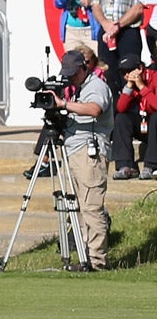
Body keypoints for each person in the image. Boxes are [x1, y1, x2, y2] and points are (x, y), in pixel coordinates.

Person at [57, 44, 113, 269]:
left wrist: (64, 105)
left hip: (90, 154)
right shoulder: (78, 87)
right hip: (75, 152)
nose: (70, 79)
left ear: (84, 68)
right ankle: (84, 257)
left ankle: (97, 261)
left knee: (91, 207)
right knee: (79, 208)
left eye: (73, 74)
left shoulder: (96, 86)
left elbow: (95, 109)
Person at [110, 61, 154, 181]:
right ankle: (126, 165)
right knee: (121, 118)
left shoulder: (153, 77)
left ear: (140, 68)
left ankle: (151, 165)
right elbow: (120, 108)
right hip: (142, 124)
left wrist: (142, 87)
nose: (127, 75)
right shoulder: (130, 84)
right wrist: (129, 86)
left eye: (129, 71)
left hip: (154, 124)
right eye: (124, 73)